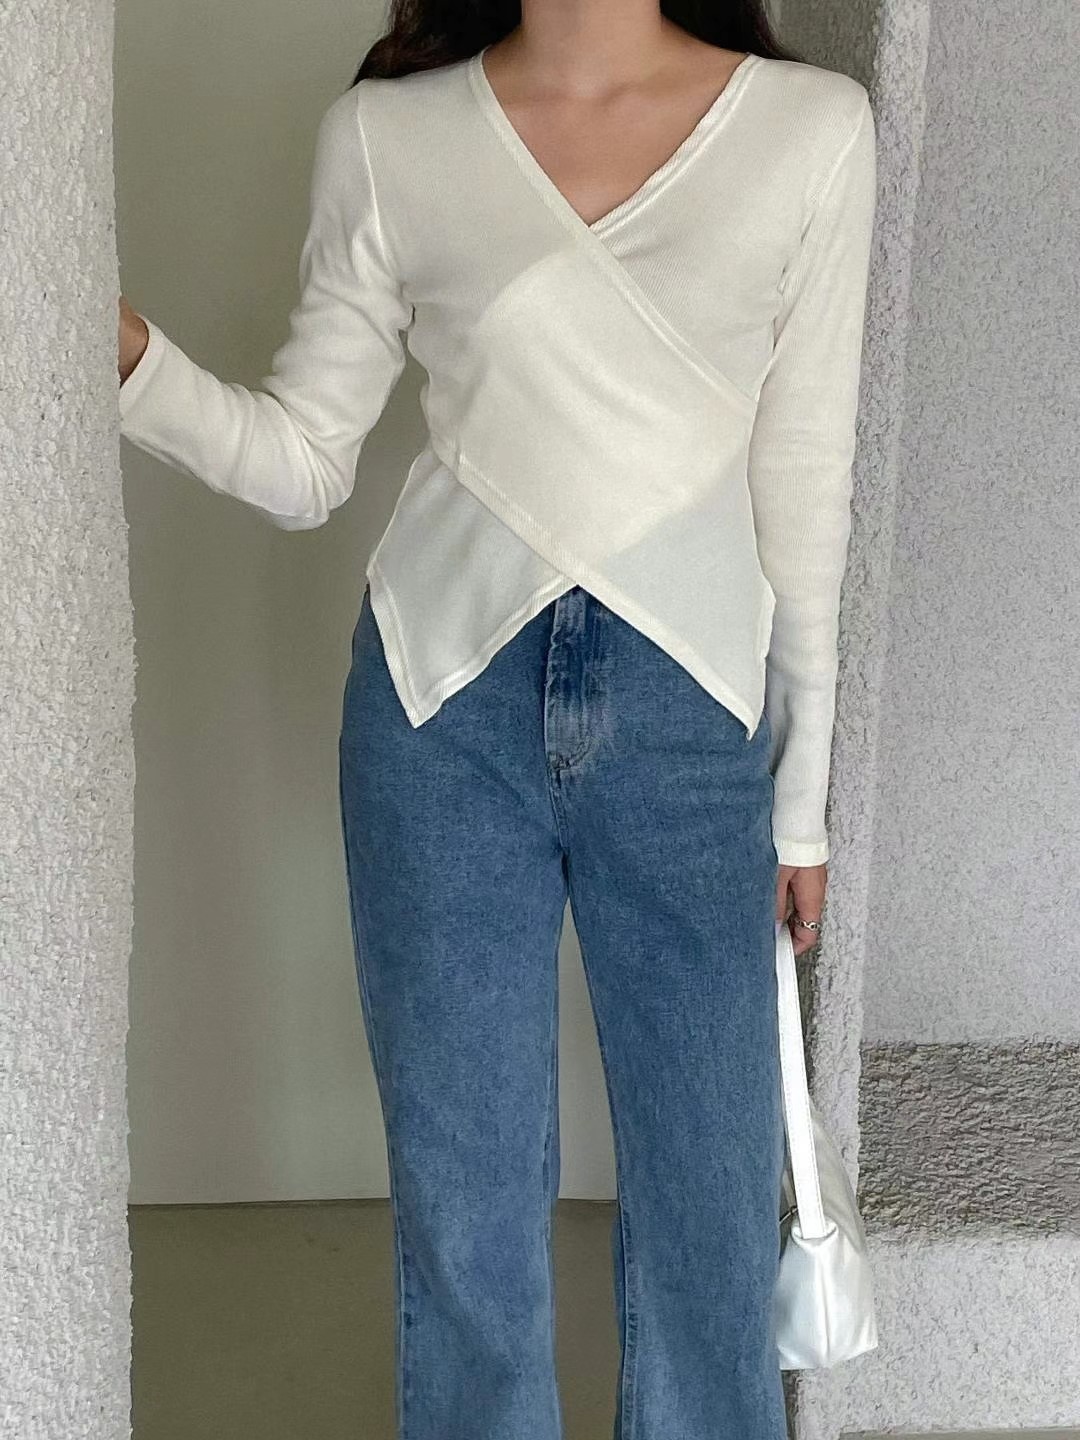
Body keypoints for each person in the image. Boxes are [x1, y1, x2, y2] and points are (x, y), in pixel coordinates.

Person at [117, 1, 877, 1435]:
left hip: (695, 725)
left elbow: (805, 490)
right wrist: (126, 357)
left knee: (713, 1207)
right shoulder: (388, 135)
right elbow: (304, 458)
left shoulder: (809, 132)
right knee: (464, 1210)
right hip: (437, 711)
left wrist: (802, 808)